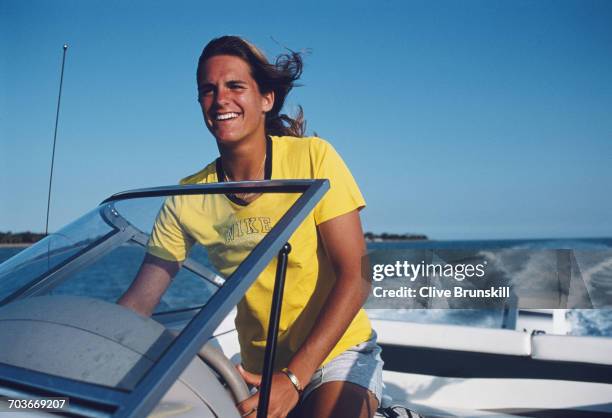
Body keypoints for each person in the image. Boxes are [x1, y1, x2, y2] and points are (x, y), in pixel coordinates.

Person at [118, 35, 382, 418]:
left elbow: (357, 277)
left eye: (235, 86)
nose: (220, 99)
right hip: (257, 367)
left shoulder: (314, 159)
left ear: (266, 99)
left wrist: (294, 380)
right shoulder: (187, 196)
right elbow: (140, 302)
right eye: (208, 90)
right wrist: (80, 345)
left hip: (336, 352)